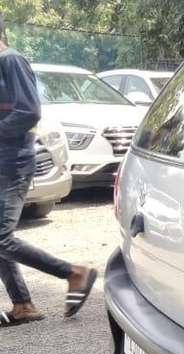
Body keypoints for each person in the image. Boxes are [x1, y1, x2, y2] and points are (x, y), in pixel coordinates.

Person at [0, 14, 97, 328]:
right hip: (3, 161)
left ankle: (73, 273)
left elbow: (29, 111)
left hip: (13, 163)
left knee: (1, 239)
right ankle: (23, 304)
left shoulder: (11, 60)